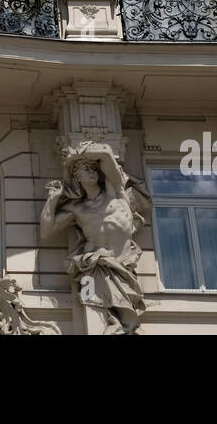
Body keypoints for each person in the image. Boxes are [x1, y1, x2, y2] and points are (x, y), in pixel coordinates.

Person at [40, 142, 150, 334]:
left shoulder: (114, 190)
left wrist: (74, 155)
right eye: (85, 169)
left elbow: (106, 155)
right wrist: (52, 199)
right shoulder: (77, 209)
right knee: (94, 304)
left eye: (93, 168)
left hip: (123, 262)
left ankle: (118, 323)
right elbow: (46, 231)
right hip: (97, 264)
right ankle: (111, 323)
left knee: (128, 316)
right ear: (76, 177)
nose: (91, 171)